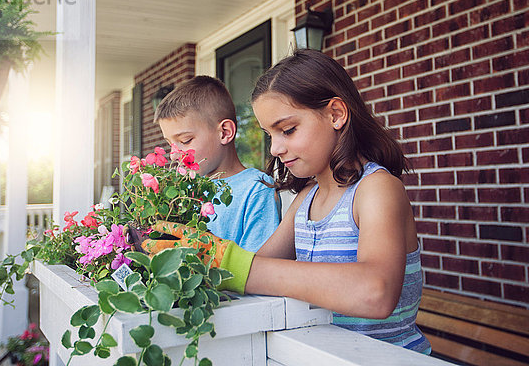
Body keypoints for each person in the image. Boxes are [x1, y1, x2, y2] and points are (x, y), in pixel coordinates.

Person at [146, 50, 431, 354]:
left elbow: (376, 291)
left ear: (336, 114)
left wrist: (226, 259)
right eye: (269, 134)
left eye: (288, 130)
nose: (275, 148)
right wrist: (191, 259)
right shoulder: (306, 199)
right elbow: (254, 272)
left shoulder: (377, 189)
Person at [153, 75, 280, 252]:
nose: (174, 155)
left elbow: (258, 268)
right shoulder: (183, 191)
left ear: (225, 133)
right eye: (170, 144)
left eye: (186, 140)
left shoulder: (256, 190)